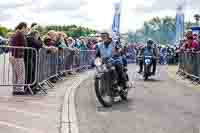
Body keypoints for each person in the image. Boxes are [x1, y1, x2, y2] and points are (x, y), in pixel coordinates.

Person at [10, 22, 28, 95]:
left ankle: (15, 88)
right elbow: (24, 44)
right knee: (21, 73)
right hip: (18, 56)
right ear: (23, 27)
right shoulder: (20, 34)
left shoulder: (15, 33)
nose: (26, 30)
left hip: (13, 55)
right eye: (26, 28)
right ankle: (19, 89)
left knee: (15, 74)